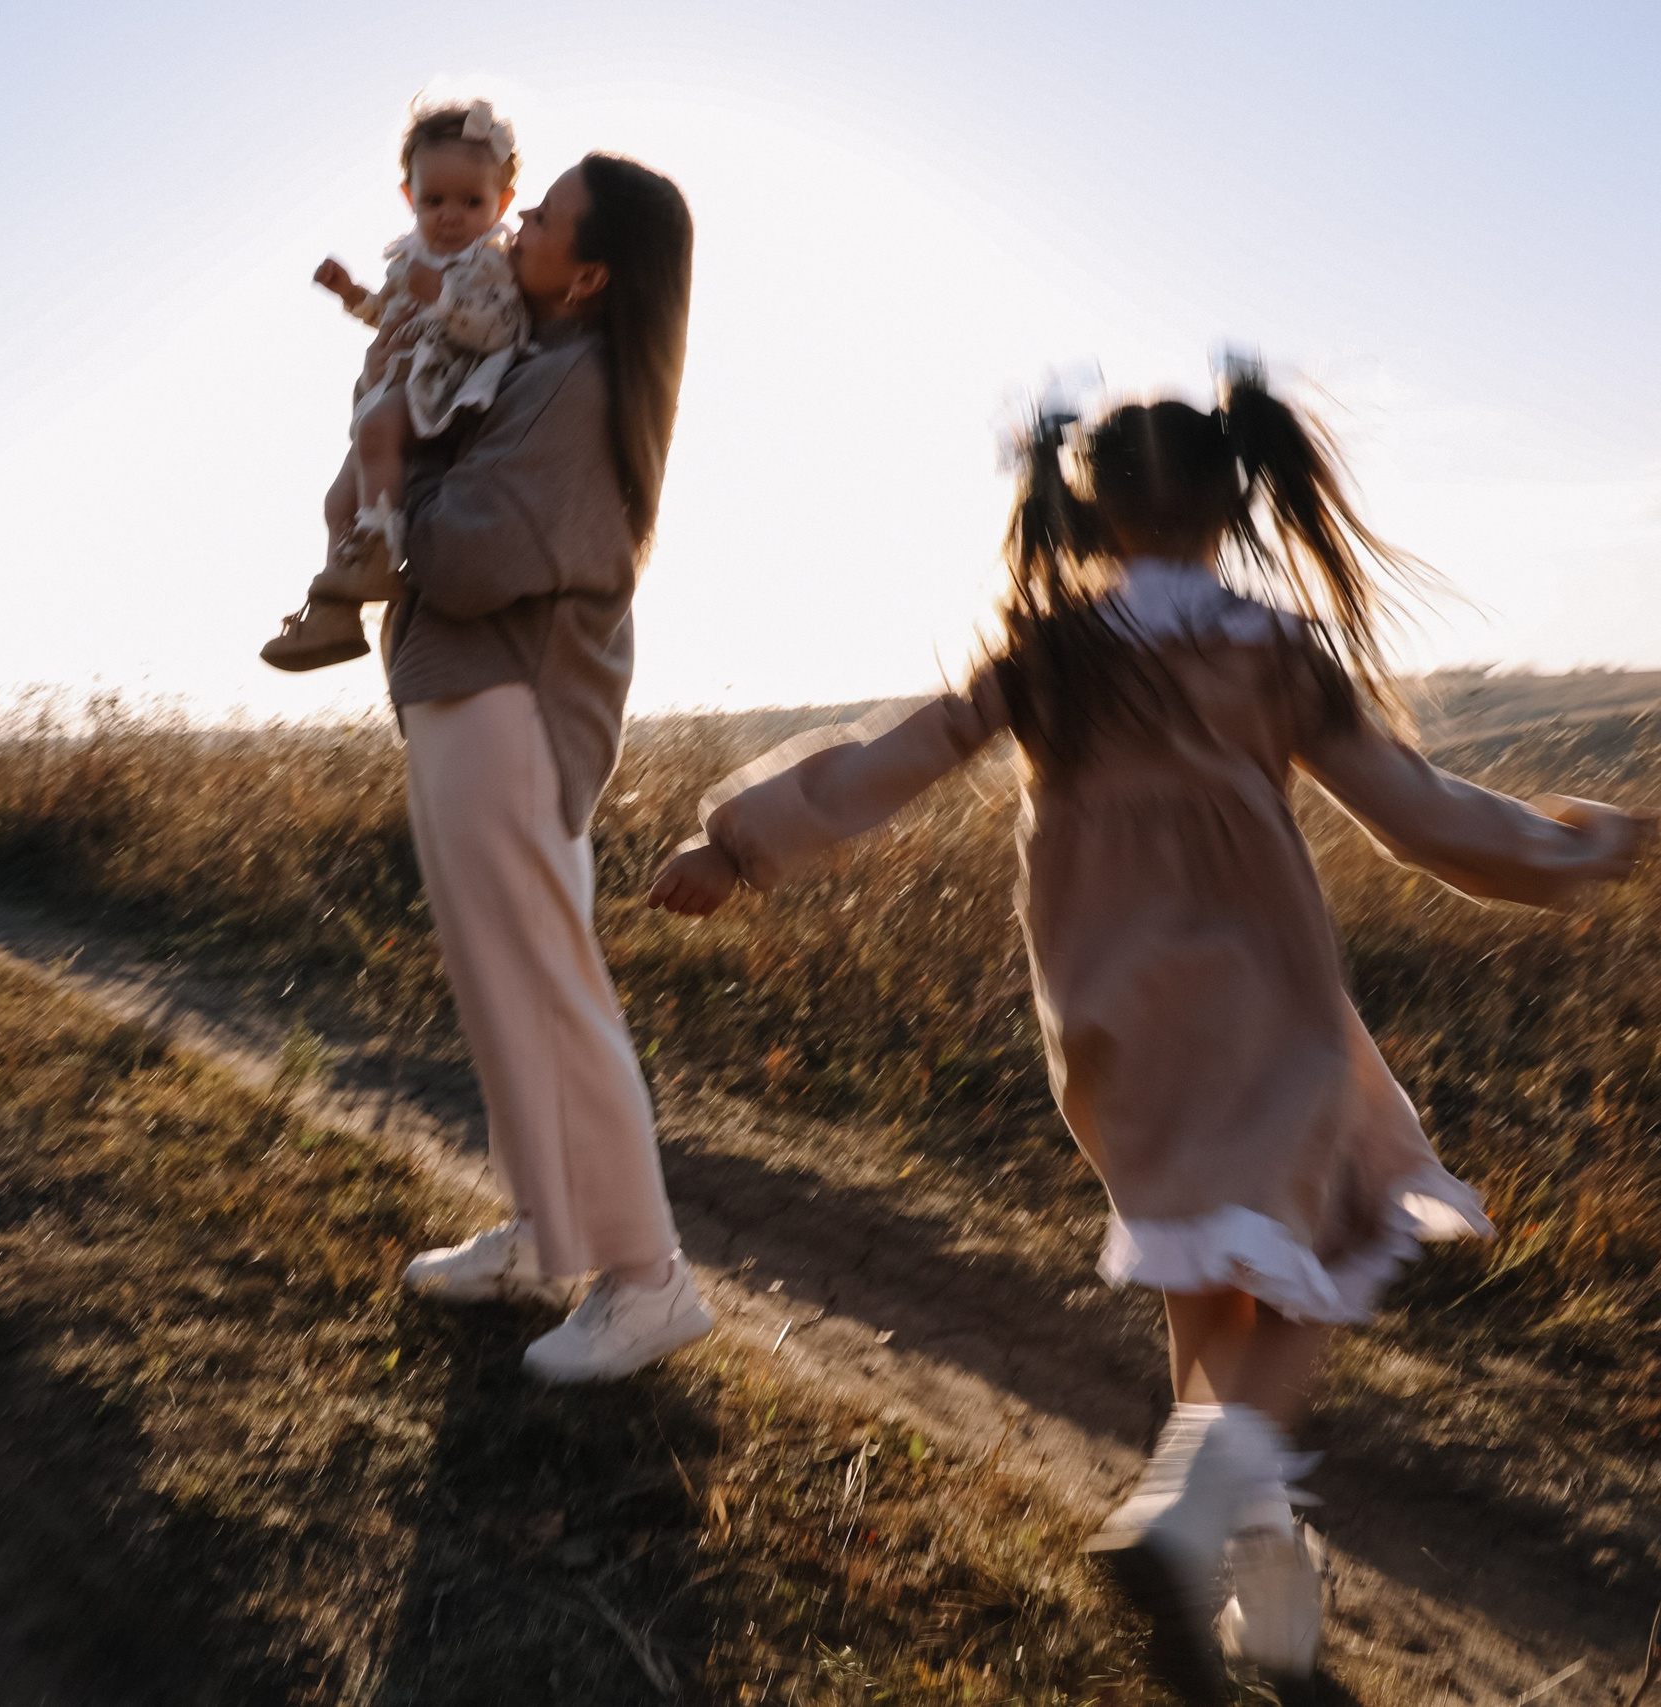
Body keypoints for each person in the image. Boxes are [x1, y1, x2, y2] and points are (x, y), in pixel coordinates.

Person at [647, 364, 1650, 1704]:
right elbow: (1425, 818)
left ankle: (1272, 1603)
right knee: (1345, 1227)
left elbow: (879, 761)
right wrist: (1587, 844)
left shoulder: (1046, 650)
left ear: (1085, 505)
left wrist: (733, 842)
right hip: (1267, 1009)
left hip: (1111, 1018)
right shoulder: (1273, 654)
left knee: (1212, 1281)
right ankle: (1190, 1515)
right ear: (1241, 501)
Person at [385, 152, 711, 1384]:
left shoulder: (577, 385)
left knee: (553, 1003)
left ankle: (647, 1279)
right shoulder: (544, 365)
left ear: (586, 276)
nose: (513, 224)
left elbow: (467, 558)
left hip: (512, 718)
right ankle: (540, 1241)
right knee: (502, 994)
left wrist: (399, 490)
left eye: (542, 215)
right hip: (475, 707)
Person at [261, 99, 531, 673]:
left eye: (471, 201)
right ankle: (335, 615)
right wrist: (351, 293)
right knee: (336, 501)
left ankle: (381, 546)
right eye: (434, 200)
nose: (450, 216)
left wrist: (445, 297)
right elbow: (387, 314)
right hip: (388, 393)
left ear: (501, 204)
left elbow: (502, 328)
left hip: (439, 391)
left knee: (378, 429)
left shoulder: (487, 265)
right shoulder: (411, 261)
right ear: (410, 196)